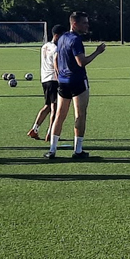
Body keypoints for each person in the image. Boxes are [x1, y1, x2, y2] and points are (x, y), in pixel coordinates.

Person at [47, 12, 106, 159]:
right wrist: (97, 52)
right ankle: (78, 150)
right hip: (77, 81)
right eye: (84, 23)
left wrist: (59, 74)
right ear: (75, 24)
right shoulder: (75, 40)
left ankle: (52, 150)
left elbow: (56, 59)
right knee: (80, 115)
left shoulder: (61, 38)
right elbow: (81, 62)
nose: (87, 25)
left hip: (63, 82)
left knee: (60, 115)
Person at [27, 24, 69, 141]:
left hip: (45, 79)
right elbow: (56, 62)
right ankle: (51, 133)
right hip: (54, 79)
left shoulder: (45, 46)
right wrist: (60, 76)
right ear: (57, 36)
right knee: (55, 108)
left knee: (47, 106)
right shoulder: (56, 48)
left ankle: (34, 129)